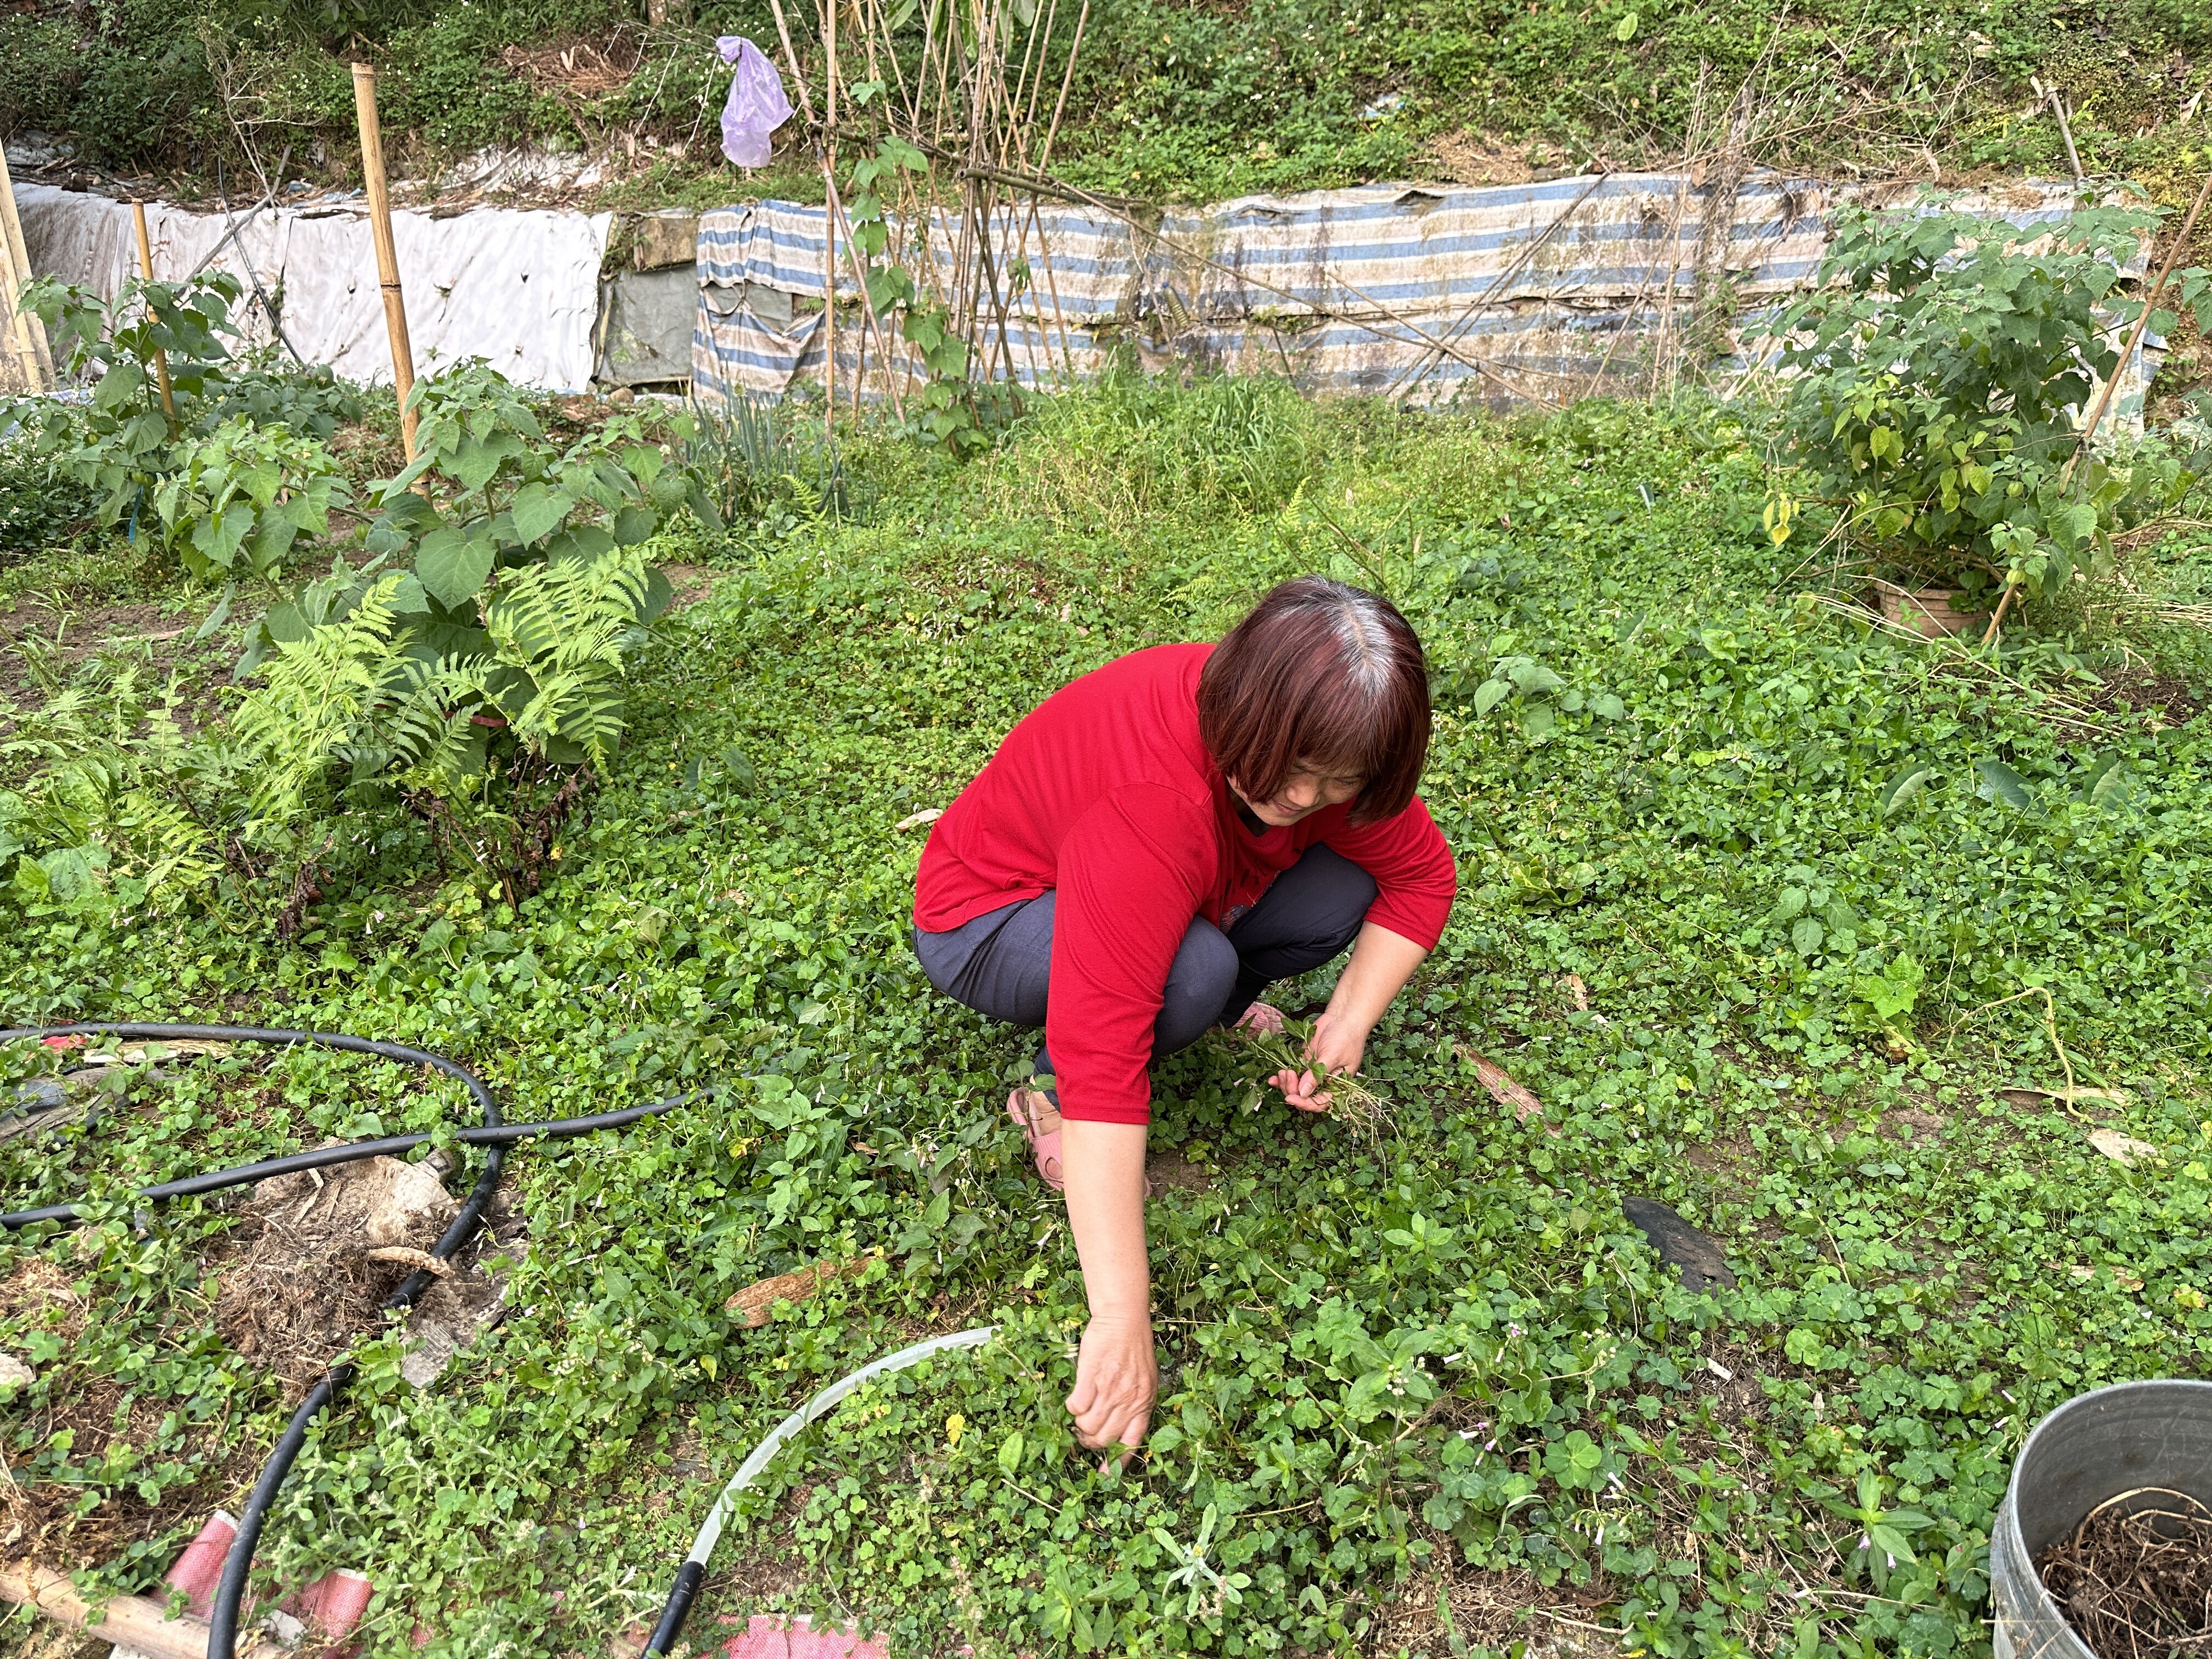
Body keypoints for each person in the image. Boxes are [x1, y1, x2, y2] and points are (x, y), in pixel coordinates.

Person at [910, 577, 1457, 1457]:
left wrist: (1346, 1024)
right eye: (1293, 770)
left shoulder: (1315, 746)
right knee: (1192, 975)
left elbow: (1422, 877)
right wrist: (1122, 1319)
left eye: (1336, 782)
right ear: (1246, 708)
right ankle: (1039, 1095)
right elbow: (1104, 1059)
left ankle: (1207, 987)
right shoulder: (1152, 801)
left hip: (1158, 882)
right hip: (992, 917)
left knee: (1338, 889)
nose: (1304, 798)